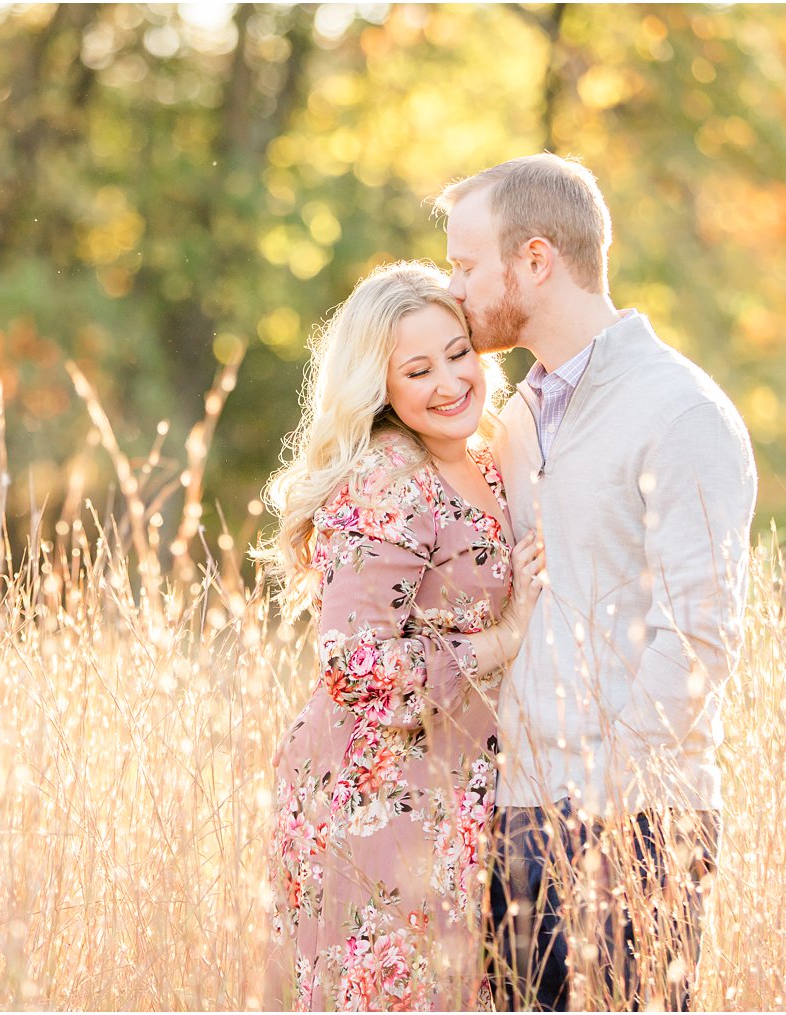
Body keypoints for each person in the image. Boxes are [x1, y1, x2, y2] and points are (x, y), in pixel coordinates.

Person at [435, 154, 757, 1010]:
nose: (454, 287)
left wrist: (611, 806)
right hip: (520, 819)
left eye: (466, 266)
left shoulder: (678, 410)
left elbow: (700, 633)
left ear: (534, 260)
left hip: (637, 826)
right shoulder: (515, 420)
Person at [259, 262, 547, 1011]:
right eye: (418, 369)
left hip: (460, 797)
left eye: (459, 353)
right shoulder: (387, 476)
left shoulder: (484, 458)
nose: (450, 381)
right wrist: (502, 639)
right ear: (380, 385)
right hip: (380, 799)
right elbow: (354, 664)